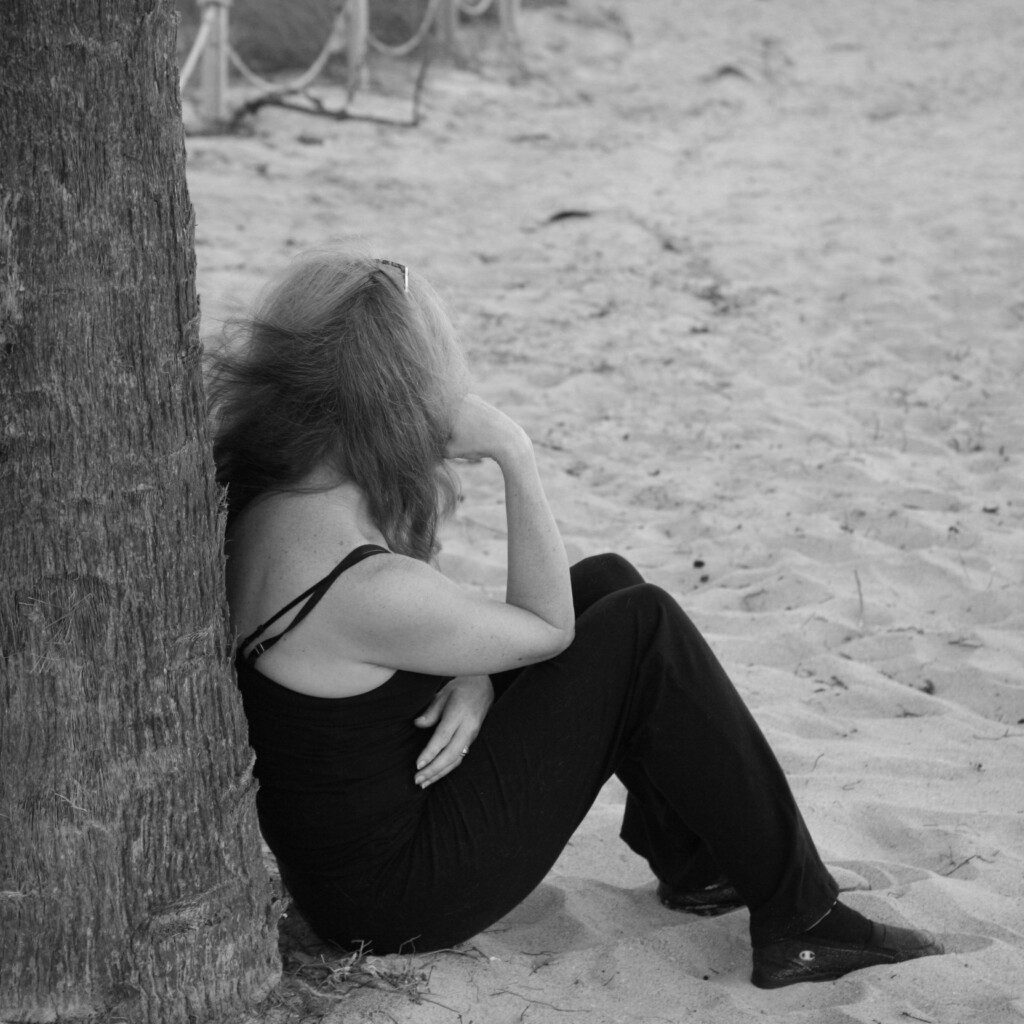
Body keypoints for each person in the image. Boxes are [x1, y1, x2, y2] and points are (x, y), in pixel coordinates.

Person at [207, 249, 944, 989]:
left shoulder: (276, 504)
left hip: (358, 853)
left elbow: (435, 626)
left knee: (606, 582)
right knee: (642, 627)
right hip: (399, 896)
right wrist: (513, 452)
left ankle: (698, 866)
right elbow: (546, 629)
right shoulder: (367, 587)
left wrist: (479, 670)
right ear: (397, 397)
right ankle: (804, 923)